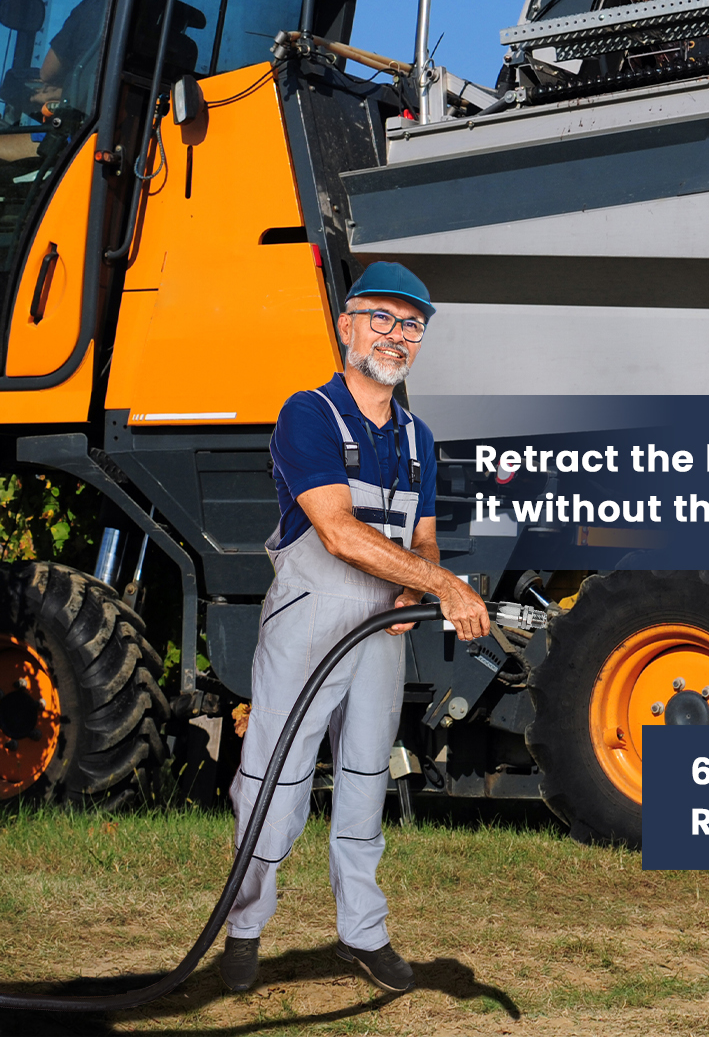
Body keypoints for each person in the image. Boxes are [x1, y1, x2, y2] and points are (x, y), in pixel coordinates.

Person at [218, 261, 490, 996]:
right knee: (276, 779)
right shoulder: (308, 414)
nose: (396, 336)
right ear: (346, 326)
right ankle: (244, 929)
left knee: (368, 779)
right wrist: (442, 587)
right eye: (382, 318)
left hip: (383, 629)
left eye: (412, 326)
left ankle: (362, 934)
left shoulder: (417, 436)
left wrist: (418, 581)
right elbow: (336, 531)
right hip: (313, 617)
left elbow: (424, 537)